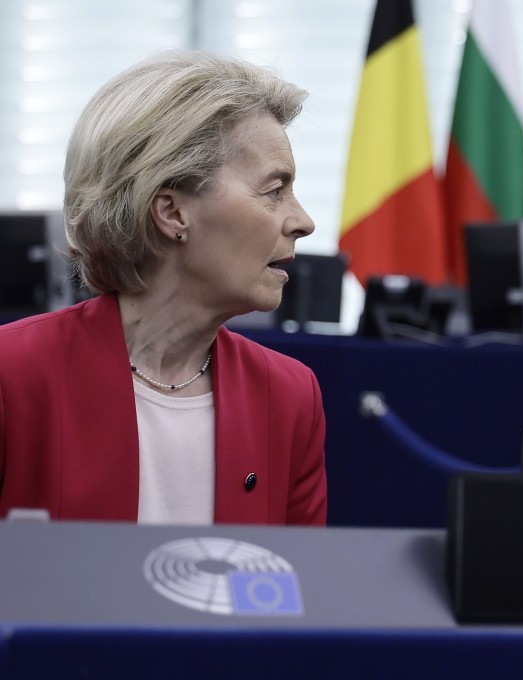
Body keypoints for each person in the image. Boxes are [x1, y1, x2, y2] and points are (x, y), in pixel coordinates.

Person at [0, 51, 327, 525]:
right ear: (172, 212)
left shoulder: (290, 396)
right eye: (274, 190)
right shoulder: (14, 375)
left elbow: (296, 590)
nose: (303, 222)